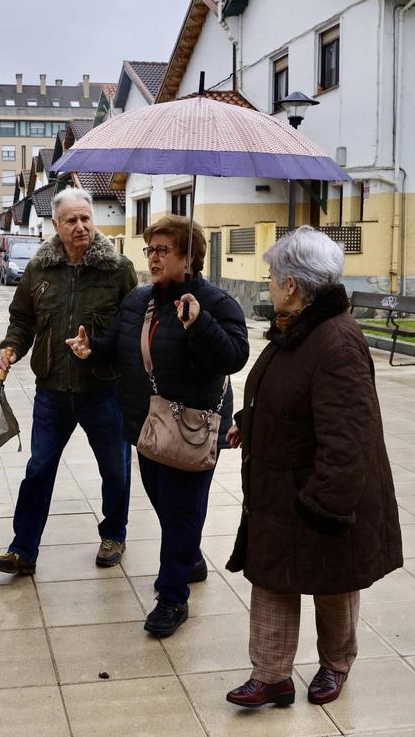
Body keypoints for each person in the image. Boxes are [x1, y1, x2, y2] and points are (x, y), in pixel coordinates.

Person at [222, 226, 402, 708]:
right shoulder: (296, 329)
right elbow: (283, 392)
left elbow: (350, 438)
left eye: (272, 278)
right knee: (273, 576)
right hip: (280, 485)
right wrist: (249, 423)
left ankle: (336, 663)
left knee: (332, 579)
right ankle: (271, 675)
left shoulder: (336, 342)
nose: (268, 286)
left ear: (294, 285)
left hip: (319, 490)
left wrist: (325, 503)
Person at [66, 215, 248, 637]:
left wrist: (198, 323)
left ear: (189, 256)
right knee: (166, 506)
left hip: (193, 428)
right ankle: (190, 559)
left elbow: (234, 357)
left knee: (182, 510)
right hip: (147, 426)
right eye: (150, 250)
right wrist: (91, 349)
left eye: (163, 250)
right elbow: (120, 347)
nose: (153, 257)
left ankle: (172, 598)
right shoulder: (139, 301)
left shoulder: (217, 304)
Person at [0, 188, 137, 576]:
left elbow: (132, 329)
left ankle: (114, 534)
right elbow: (22, 320)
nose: (81, 226)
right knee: (39, 469)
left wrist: (99, 349)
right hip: (52, 390)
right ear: (56, 225)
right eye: (72, 220)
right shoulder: (40, 269)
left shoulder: (117, 269)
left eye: (86, 218)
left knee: (115, 470)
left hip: (103, 390)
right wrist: (11, 347)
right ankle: (23, 550)